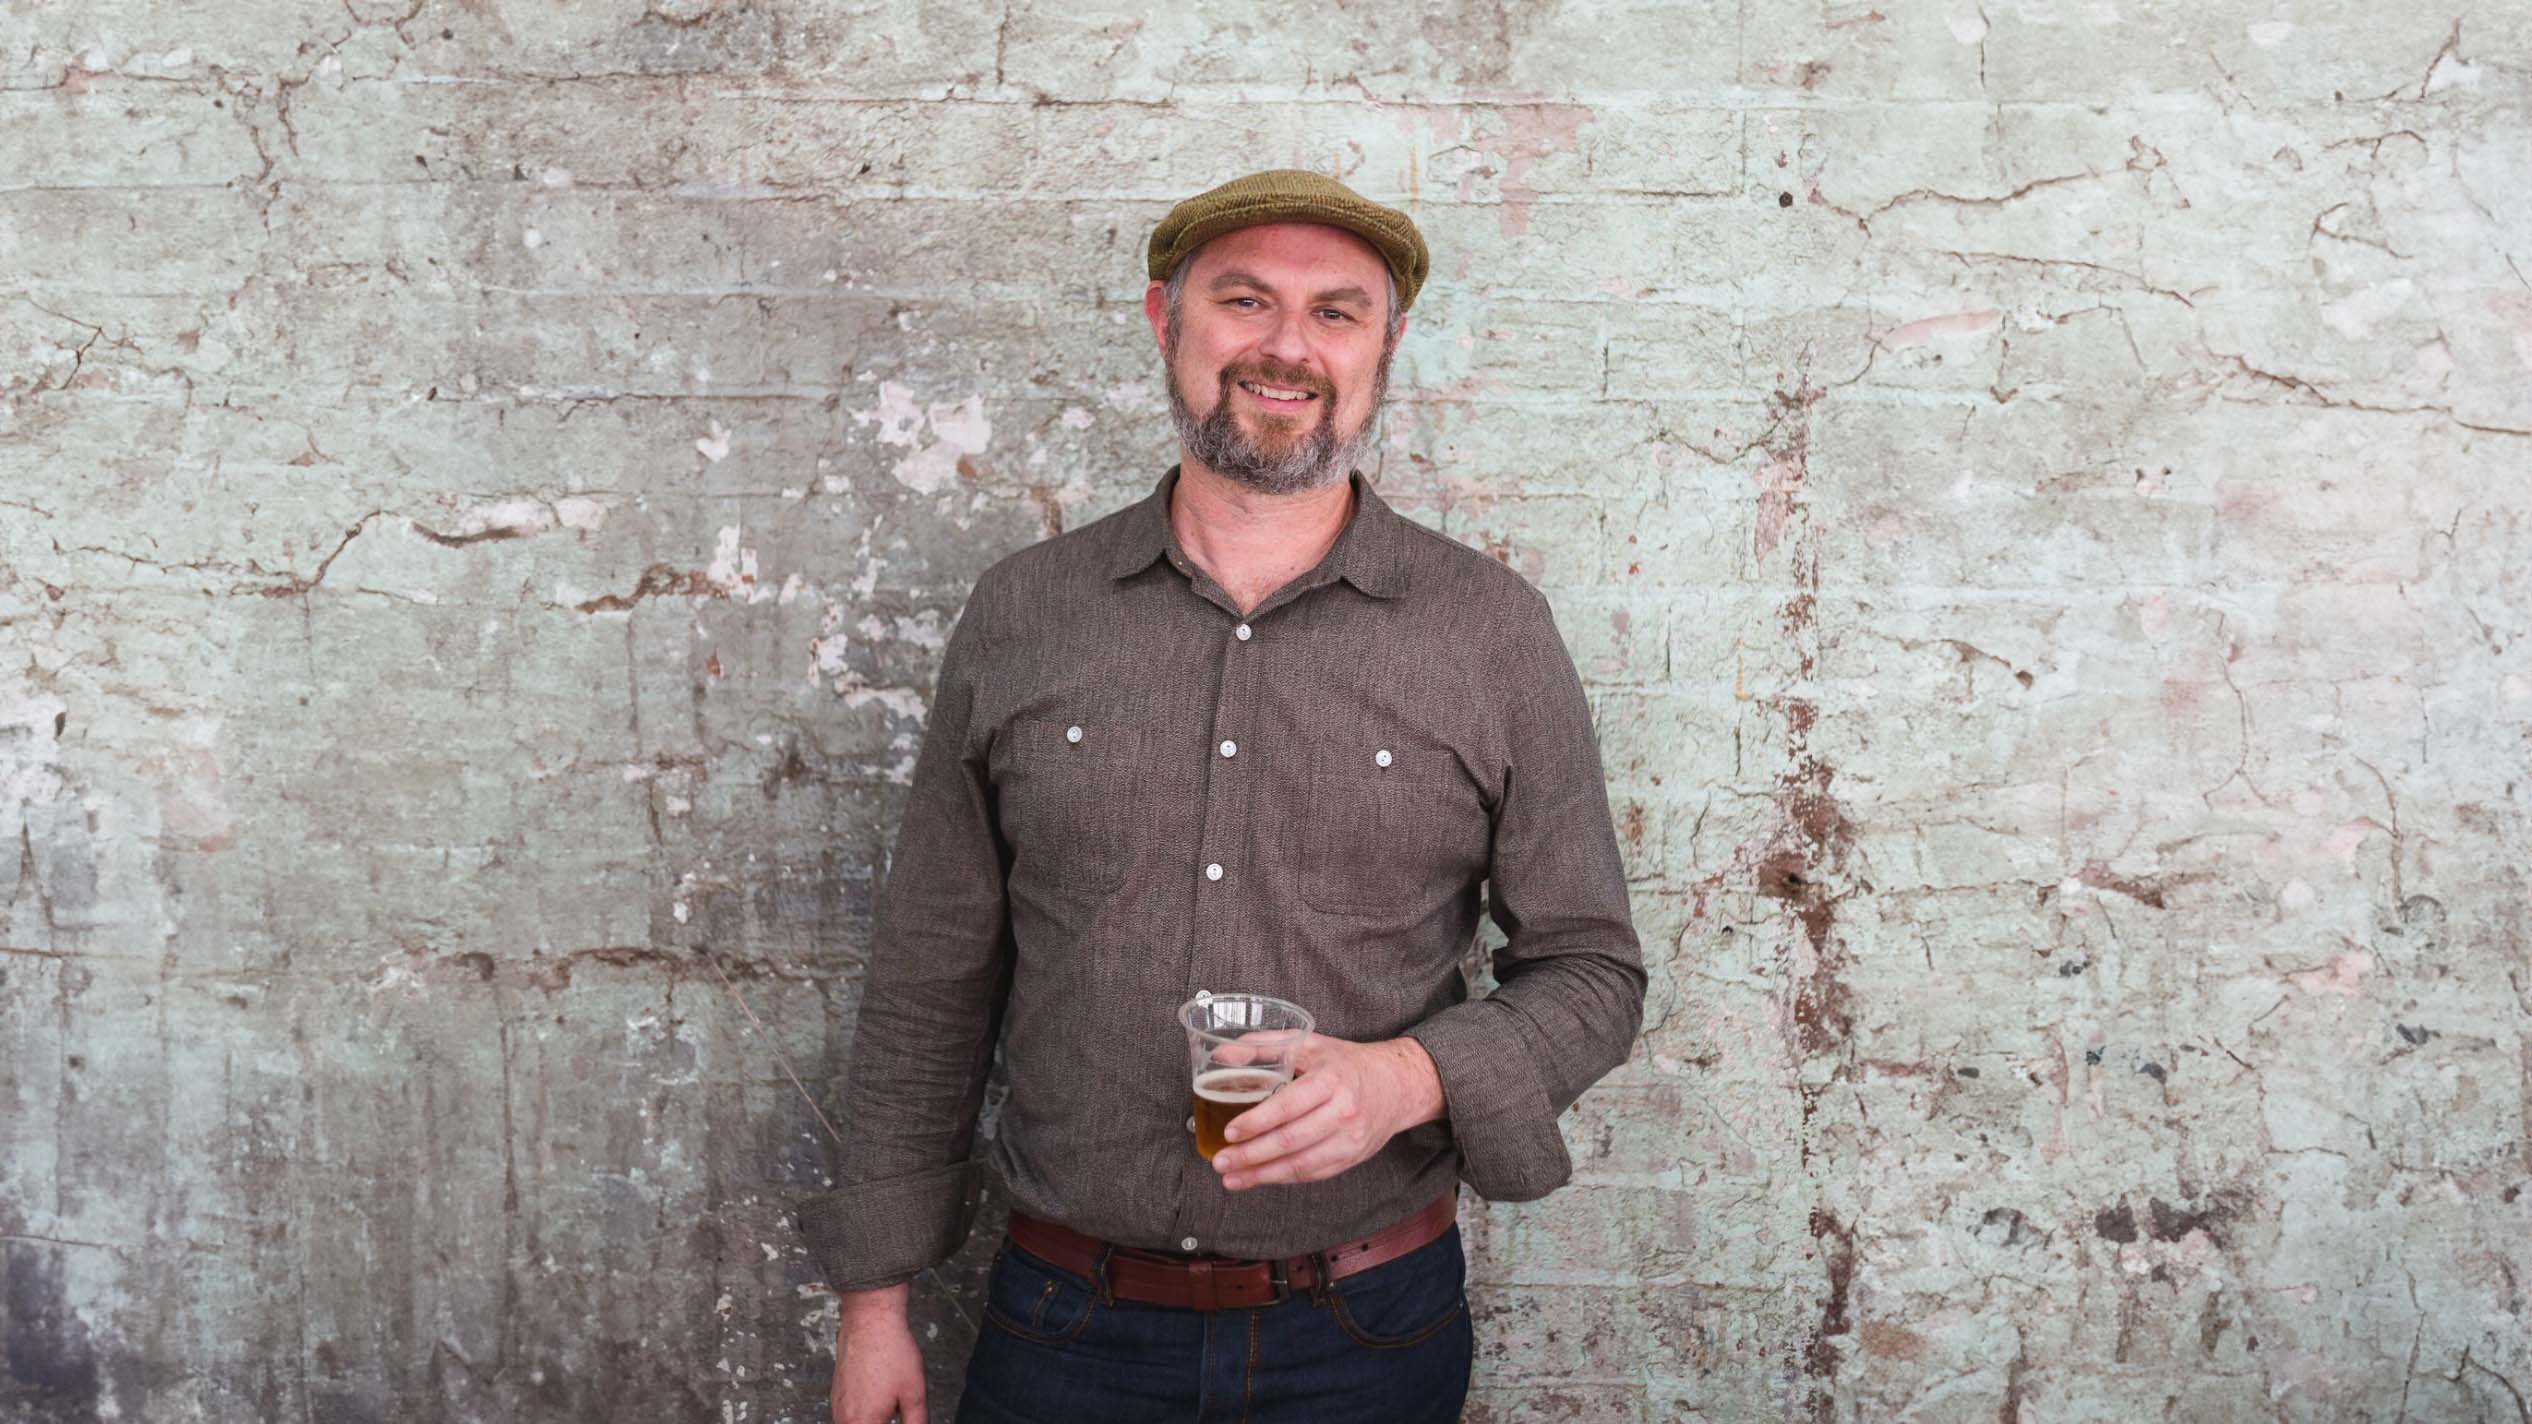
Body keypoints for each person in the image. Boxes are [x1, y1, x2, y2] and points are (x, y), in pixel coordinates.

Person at [799, 169, 1645, 1424]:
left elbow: (1592, 969)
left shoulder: (1490, 634)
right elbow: (931, 979)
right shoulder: (1024, 613)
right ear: (1165, 321)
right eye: (1244, 301)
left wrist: (1407, 1078)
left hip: (1368, 1327)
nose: (1287, 346)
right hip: (1060, 1326)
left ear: (1386, 347)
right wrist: (874, 1305)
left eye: (1337, 312)